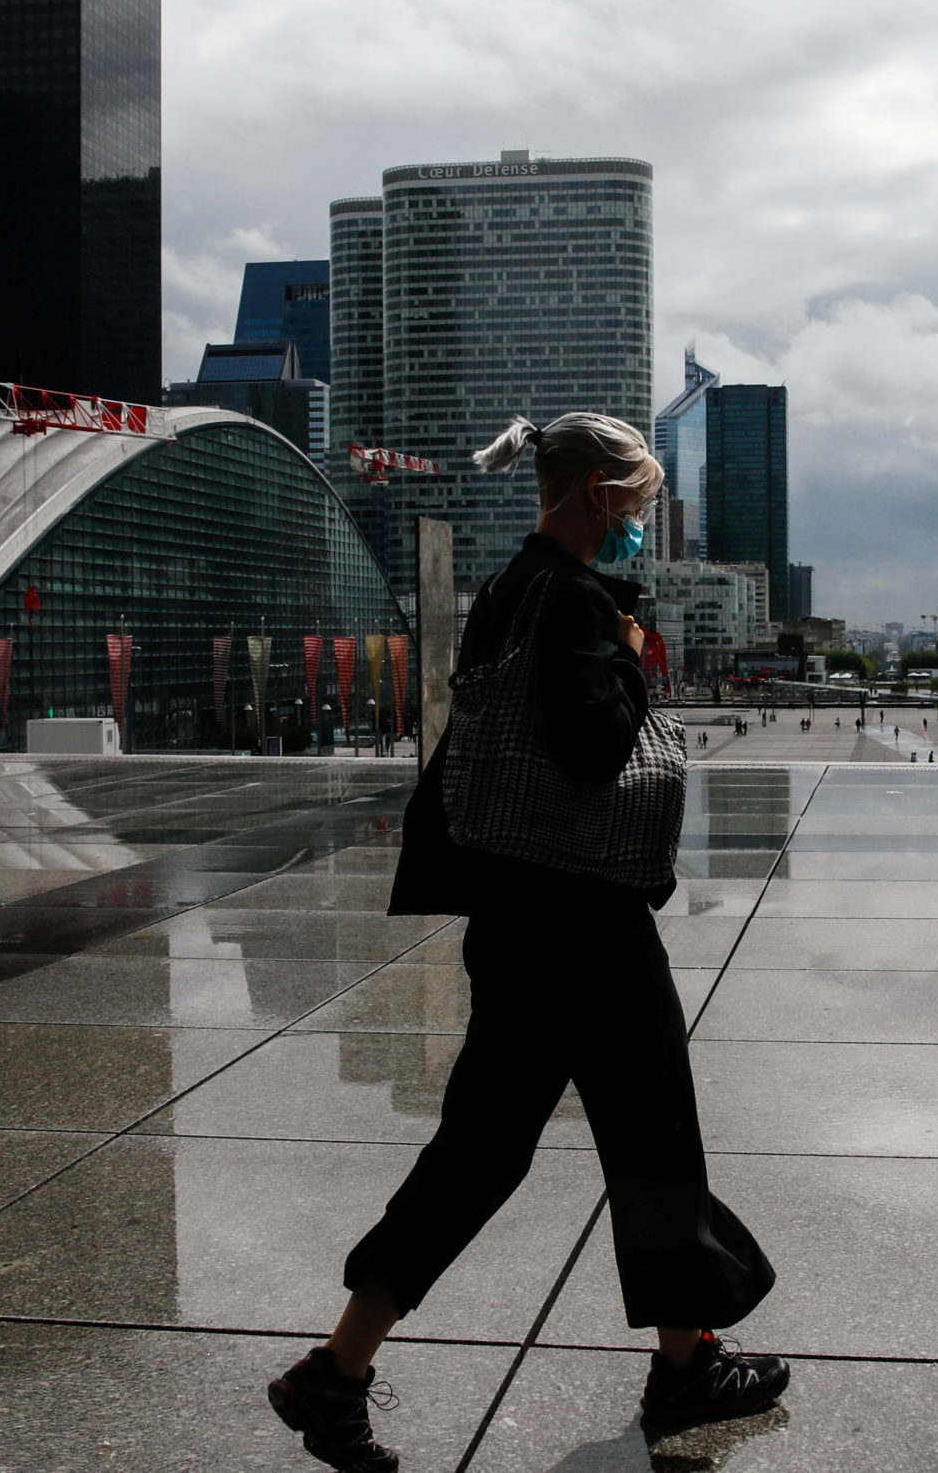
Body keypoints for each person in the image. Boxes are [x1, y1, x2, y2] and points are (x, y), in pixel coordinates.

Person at [268, 413, 782, 1472]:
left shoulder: (510, 587)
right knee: (649, 1134)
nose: (641, 516)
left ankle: (339, 1371)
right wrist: (638, 661)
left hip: (515, 909)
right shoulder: (581, 600)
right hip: (584, 916)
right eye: (635, 499)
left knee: (485, 1148)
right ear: (597, 491)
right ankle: (684, 1370)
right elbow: (596, 746)